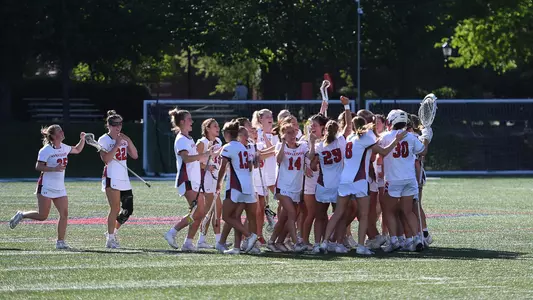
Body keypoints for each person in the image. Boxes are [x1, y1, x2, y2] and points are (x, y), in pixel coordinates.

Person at [9, 125, 86, 249]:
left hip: (59, 187)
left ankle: (60, 242)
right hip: (46, 186)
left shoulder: (64, 147)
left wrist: (82, 139)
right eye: (59, 131)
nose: (62, 132)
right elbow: (38, 167)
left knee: (64, 214)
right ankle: (22, 215)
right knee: (43, 216)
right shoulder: (46, 150)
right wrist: (53, 169)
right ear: (54, 136)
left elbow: (77, 150)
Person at [164, 108, 212, 251]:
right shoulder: (181, 139)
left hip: (195, 179)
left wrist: (206, 159)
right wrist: (203, 155)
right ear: (183, 122)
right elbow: (186, 159)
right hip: (187, 180)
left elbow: (195, 159)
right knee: (197, 212)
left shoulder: (189, 138)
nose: (192, 122)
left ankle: (188, 242)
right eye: (189, 119)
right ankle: (172, 232)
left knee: (200, 213)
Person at [380, 109, 426, 253]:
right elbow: (422, 151)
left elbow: (377, 151)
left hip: (393, 179)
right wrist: (426, 138)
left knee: (388, 210)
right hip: (409, 179)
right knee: (408, 211)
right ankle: (417, 239)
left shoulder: (386, 136)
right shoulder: (411, 137)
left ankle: (394, 240)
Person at [214, 121, 258, 254]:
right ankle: (238, 247)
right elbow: (250, 166)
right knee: (238, 217)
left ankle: (250, 236)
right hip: (248, 185)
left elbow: (223, 167)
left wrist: (218, 183)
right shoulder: (243, 147)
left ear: (227, 134)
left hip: (235, 186)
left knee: (227, 216)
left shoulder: (228, 147)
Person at [98, 110, 139, 248]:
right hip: (111, 177)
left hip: (124, 178)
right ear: (108, 125)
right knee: (115, 208)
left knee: (128, 209)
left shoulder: (123, 138)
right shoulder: (103, 139)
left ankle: (112, 231)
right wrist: (116, 145)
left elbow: (135, 155)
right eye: (115, 124)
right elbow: (106, 159)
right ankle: (110, 239)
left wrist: (128, 140)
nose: (118, 127)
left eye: (120, 124)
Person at [196, 118, 223, 249]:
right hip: (206, 179)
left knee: (218, 210)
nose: (218, 128)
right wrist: (206, 167)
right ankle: (201, 240)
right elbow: (195, 162)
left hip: (216, 179)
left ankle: (218, 240)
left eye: (218, 126)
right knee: (209, 211)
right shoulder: (202, 142)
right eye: (214, 126)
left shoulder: (218, 141)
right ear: (207, 128)